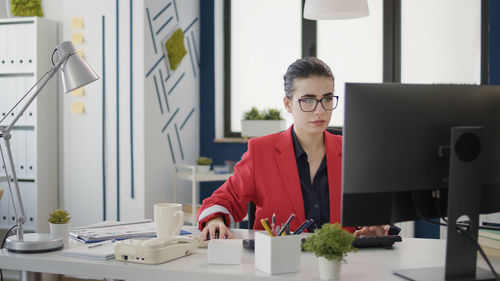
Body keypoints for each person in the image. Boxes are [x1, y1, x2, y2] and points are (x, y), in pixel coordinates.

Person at [198, 57, 391, 240]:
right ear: (288, 104)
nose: (319, 110)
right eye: (307, 100)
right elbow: (222, 199)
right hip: (278, 266)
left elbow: (369, 215)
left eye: (327, 99)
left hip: (338, 265)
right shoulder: (261, 151)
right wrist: (215, 220)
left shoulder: (351, 152)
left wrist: (374, 228)